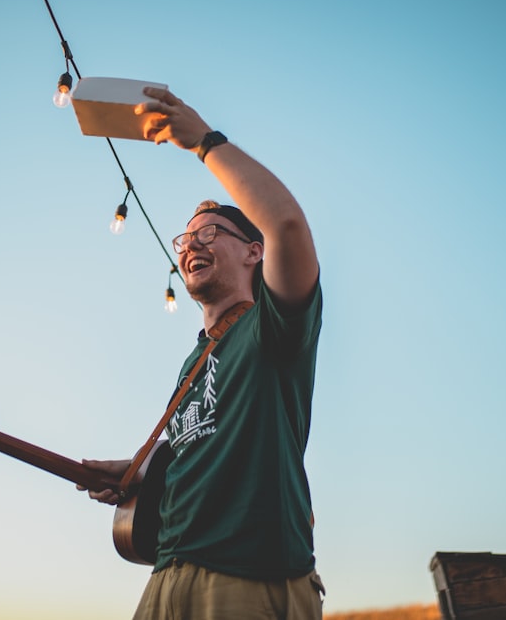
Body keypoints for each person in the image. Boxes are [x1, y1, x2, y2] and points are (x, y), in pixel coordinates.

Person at [79, 87, 325, 619]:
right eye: (184, 240)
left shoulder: (274, 326)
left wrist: (203, 142)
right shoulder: (194, 361)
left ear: (253, 252)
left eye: (210, 233)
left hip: (248, 576)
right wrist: (141, 472)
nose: (191, 245)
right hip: (166, 573)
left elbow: (286, 225)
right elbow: (202, 451)